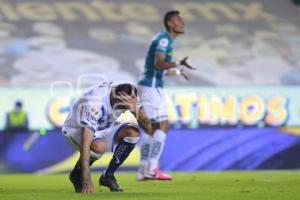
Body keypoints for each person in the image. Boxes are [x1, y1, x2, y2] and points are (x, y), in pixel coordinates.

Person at [62, 82, 152, 193]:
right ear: (114, 99)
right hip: (75, 129)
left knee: (133, 133)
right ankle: (77, 174)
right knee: (99, 147)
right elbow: (85, 144)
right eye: (124, 107)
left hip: (104, 127)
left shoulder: (129, 95)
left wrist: (135, 109)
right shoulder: (95, 102)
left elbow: (148, 128)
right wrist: (86, 178)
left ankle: (107, 176)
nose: (125, 110)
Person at [137, 10, 195, 181]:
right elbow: (159, 63)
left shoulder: (164, 38)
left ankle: (143, 170)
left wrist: (178, 71)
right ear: (170, 23)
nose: (182, 22)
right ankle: (152, 169)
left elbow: (159, 69)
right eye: (178, 20)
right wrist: (178, 63)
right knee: (163, 125)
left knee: (152, 129)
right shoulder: (164, 39)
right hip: (150, 87)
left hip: (152, 85)